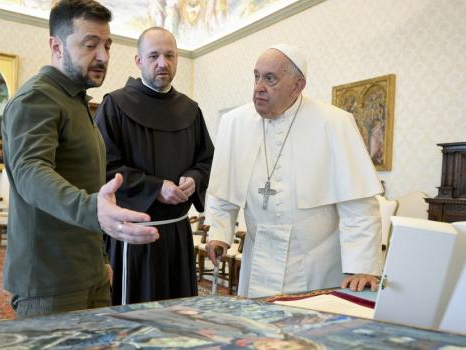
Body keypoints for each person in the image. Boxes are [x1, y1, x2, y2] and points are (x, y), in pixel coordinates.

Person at [1, 0, 159, 318]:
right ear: (56, 46)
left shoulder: (76, 101)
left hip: (89, 274)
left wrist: (99, 260)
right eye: (90, 45)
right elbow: (30, 171)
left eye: (107, 45)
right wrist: (92, 210)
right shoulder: (38, 97)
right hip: (50, 283)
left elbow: (89, 186)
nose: (103, 56)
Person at [205, 44, 383, 298]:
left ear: (298, 85)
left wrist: (361, 266)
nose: (258, 87)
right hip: (257, 259)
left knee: (306, 332)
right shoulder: (234, 123)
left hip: (315, 262)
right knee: (257, 332)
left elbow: (358, 204)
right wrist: (219, 234)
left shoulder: (334, 122)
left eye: (270, 79)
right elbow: (224, 192)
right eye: (256, 76)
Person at [95, 27, 214, 305]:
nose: (163, 63)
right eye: (154, 56)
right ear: (138, 61)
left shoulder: (191, 110)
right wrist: (156, 187)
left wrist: (195, 179)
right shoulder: (115, 105)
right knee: (135, 318)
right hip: (134, 235)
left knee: (178, 315)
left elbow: (207, 159)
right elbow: (104, 167)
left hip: (177, 234)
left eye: (170, 55)